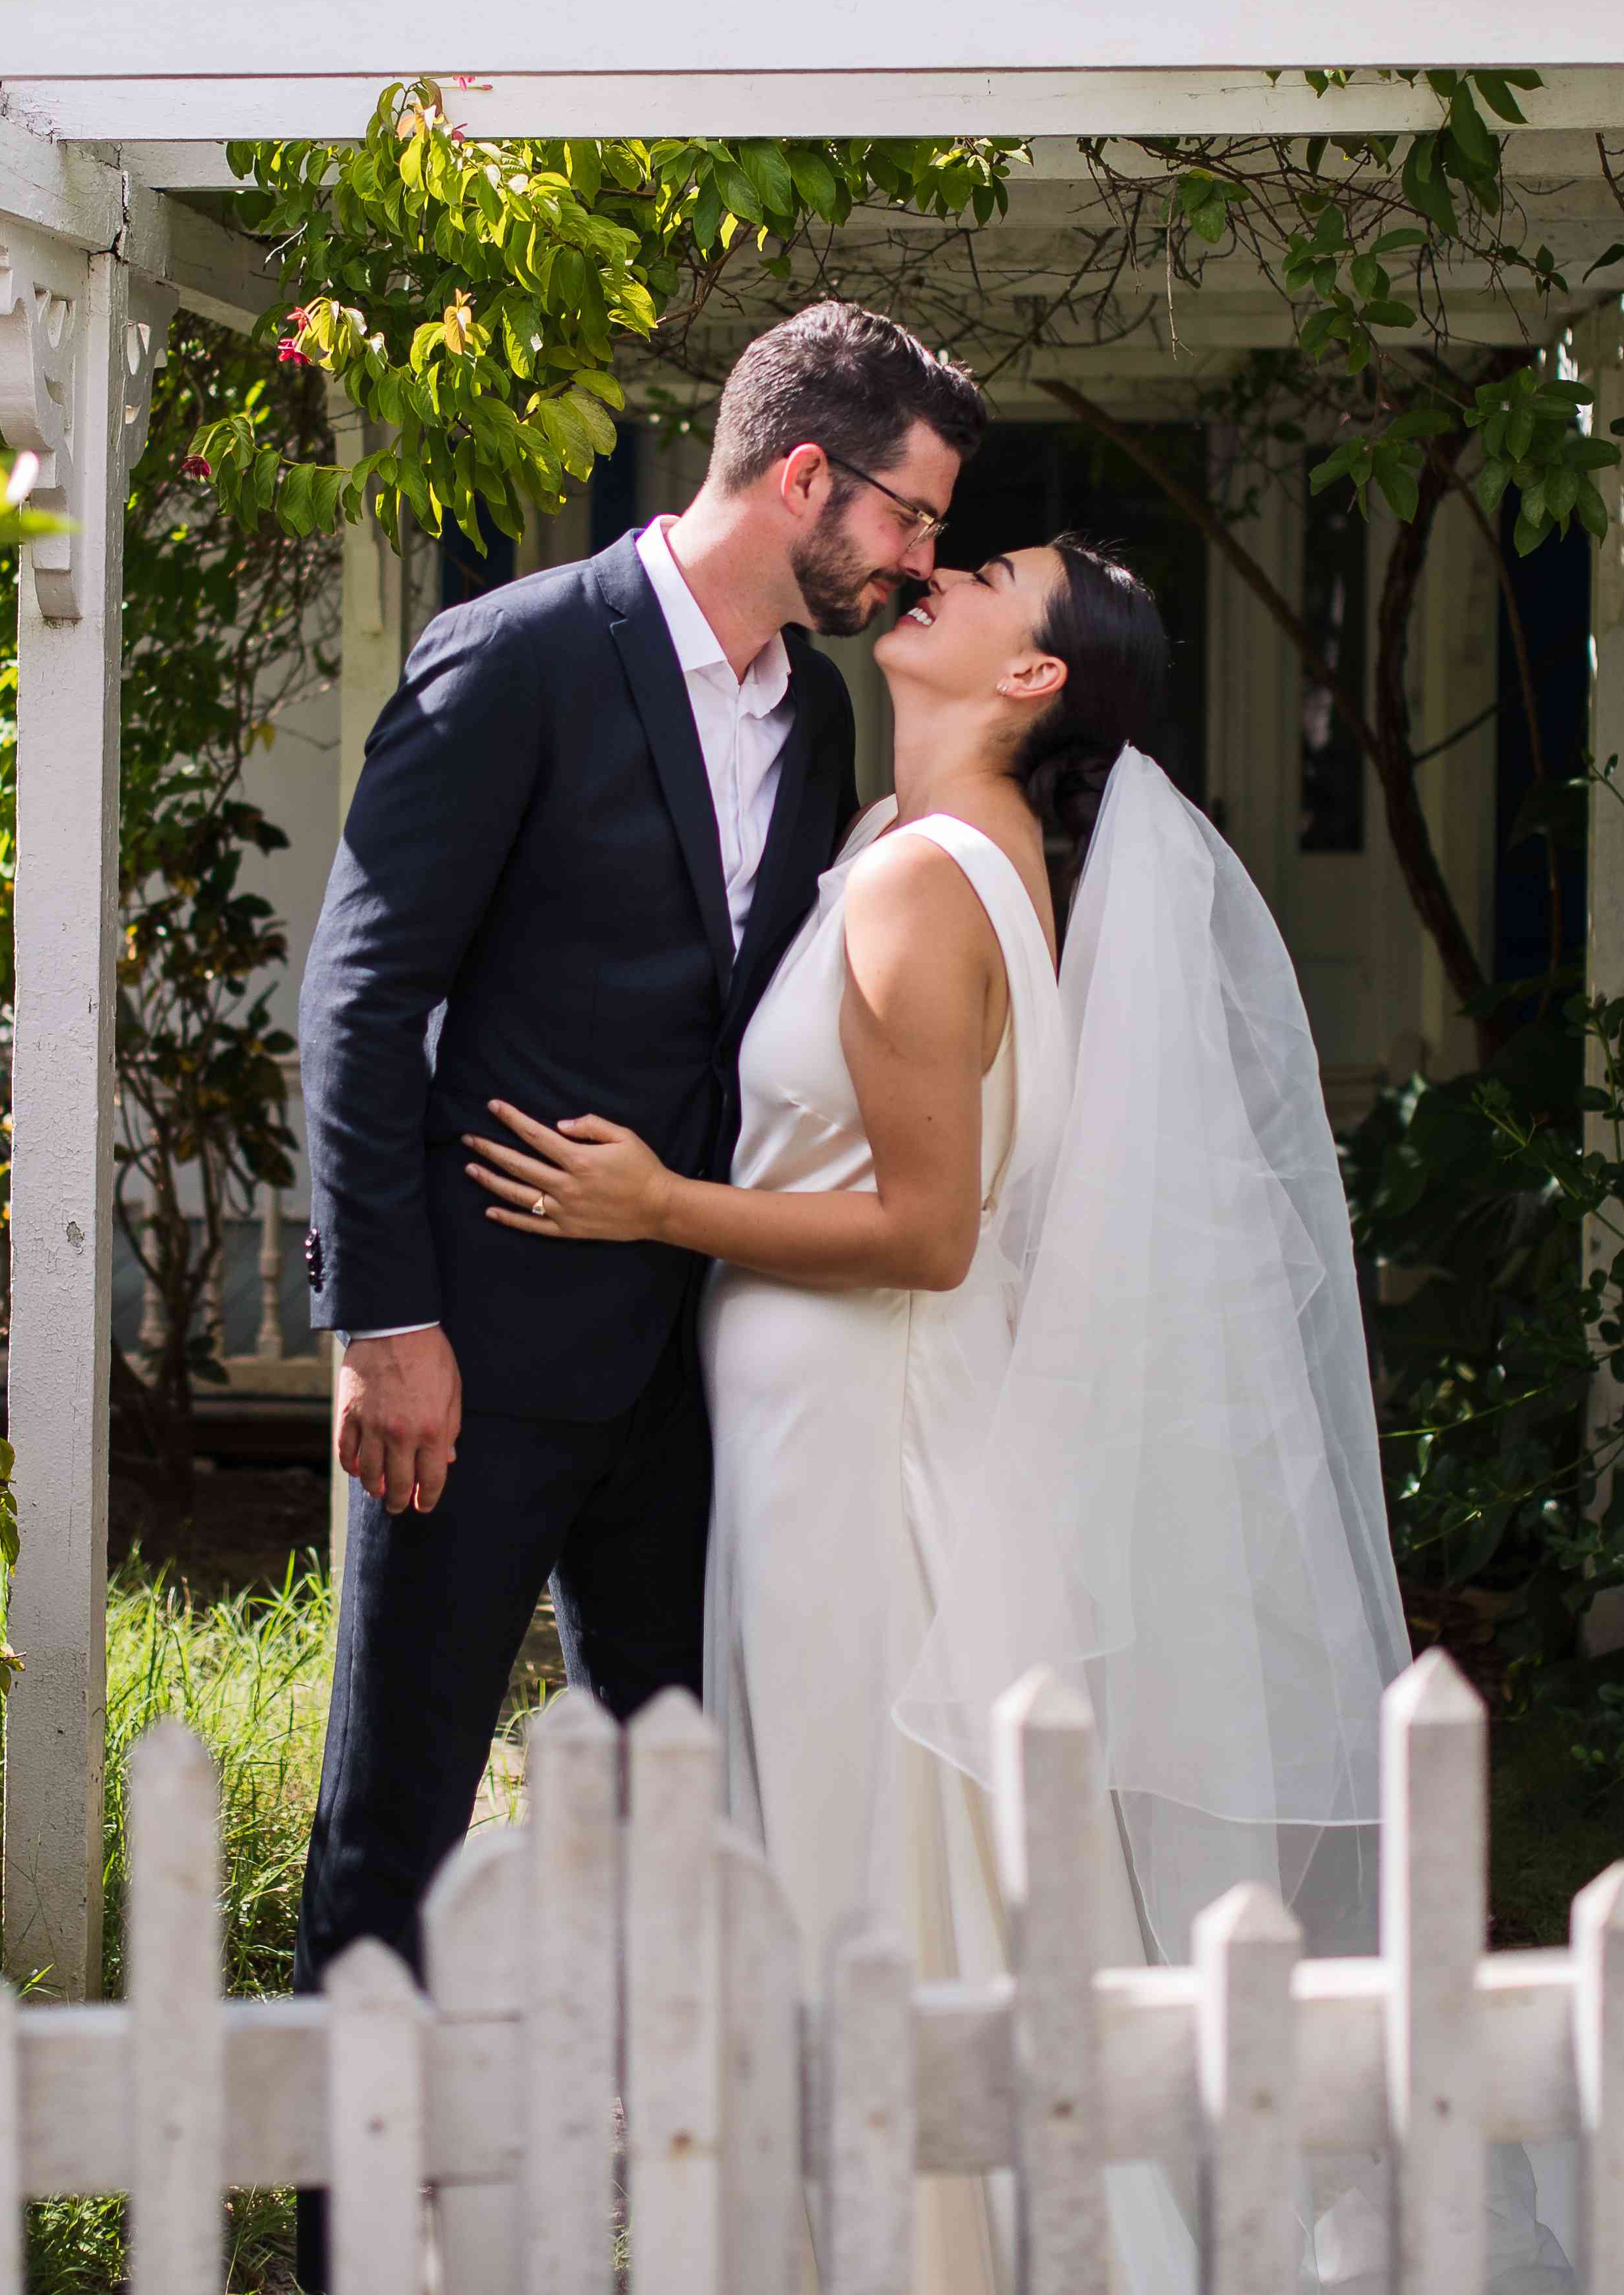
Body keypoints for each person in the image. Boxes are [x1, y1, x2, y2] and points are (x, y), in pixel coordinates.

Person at [470, 541, 1570, 2295]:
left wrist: (657, 1207)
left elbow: (929, 1234)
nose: (936, 573)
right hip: (822, 1430)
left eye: (986, 576)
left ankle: (916, 2255)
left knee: (864, 1861)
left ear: (1035, 675)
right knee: (855, 1847)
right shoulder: (903, 847)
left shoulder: (927, 883)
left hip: (866, 1439)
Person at [289, 299, 989, 2228]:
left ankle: (680, 2219)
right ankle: (354, 2250)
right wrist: (387, 1320)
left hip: (696, 1379)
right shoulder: (515, 657)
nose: (919, 560)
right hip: (473, 1361)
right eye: (912, 516)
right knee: (398, 1823)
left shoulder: (817, 718)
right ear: (804, 477)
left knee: (695, 1819)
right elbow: (360, 1000)